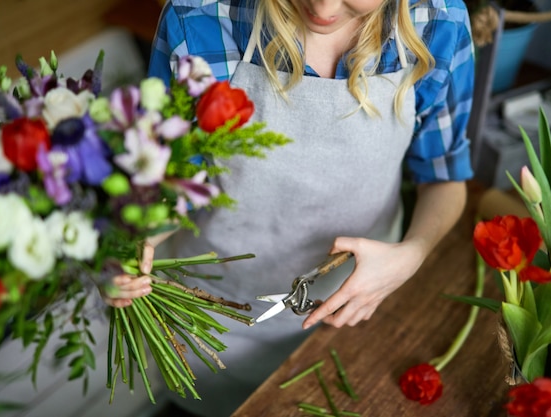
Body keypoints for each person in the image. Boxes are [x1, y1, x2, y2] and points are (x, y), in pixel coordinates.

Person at [105, 0, 475, 415]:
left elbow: (443, 177)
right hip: (211, 313)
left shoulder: (439, 24)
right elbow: (176, 181)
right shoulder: (200, 19)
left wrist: (413, 253)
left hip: (355, 309)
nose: (324, 7)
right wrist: (134, 246)